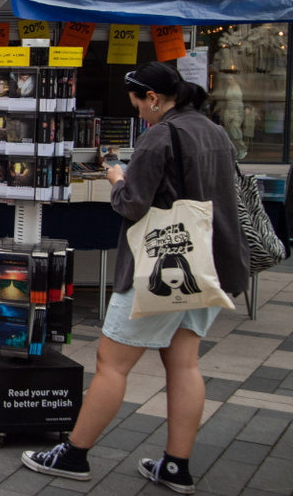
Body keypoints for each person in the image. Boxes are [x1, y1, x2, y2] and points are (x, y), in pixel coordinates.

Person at [22, 62, 249, 495]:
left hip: (160, 270)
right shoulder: (214, 131)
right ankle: (176, 466)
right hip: (206, 266)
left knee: (111, 364)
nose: (139, 116)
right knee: (184, 364)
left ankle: (74, 453)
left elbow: (132, 204)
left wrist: (116, 176)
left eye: (140, 106)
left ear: (155, 98)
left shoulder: (159, 136)